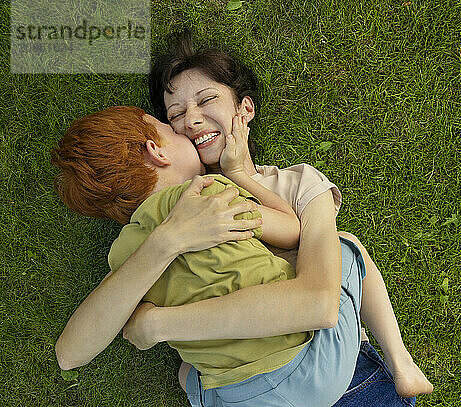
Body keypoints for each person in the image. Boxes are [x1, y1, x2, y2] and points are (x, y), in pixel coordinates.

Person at [53, 37, 432, 406]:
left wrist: (158, 324)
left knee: (190, 372)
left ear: (245, 110)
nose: (192, 120)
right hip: (304, 375)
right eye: (175, 117)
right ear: (158, 149)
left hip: (336, 383)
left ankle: (401, 365)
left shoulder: (297, 183)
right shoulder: (174, 218)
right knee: (347, 249)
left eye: (206, 100)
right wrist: (170, 240)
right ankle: (404, 364)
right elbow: (70, 353)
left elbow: (318, 304)